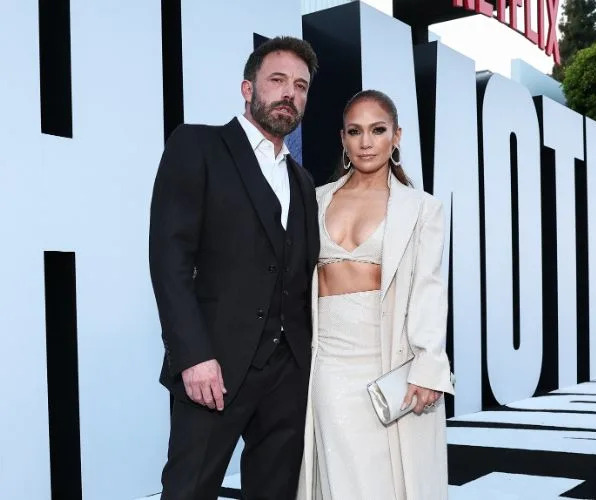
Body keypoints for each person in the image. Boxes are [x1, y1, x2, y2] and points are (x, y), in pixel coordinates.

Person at [149, 36, 320, 500]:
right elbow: (169, 260)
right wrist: (192, 356)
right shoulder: (197, 145)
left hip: (288, 375)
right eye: (278, 80)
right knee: (189, 491)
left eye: (301, 86)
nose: (290, 93)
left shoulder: (303, 181)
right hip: (213, 370)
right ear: (248, 88)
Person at [297, 90, 455, 500]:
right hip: (329, 362)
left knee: (389, 482)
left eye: (378, 130)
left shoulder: (422, 208)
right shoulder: (315, 200)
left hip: (391, 361)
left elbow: (429, 288)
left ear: (396, 136)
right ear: (343, 140)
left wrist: (429, 365)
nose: (366, 142)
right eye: (355, 131)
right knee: (342, 478)